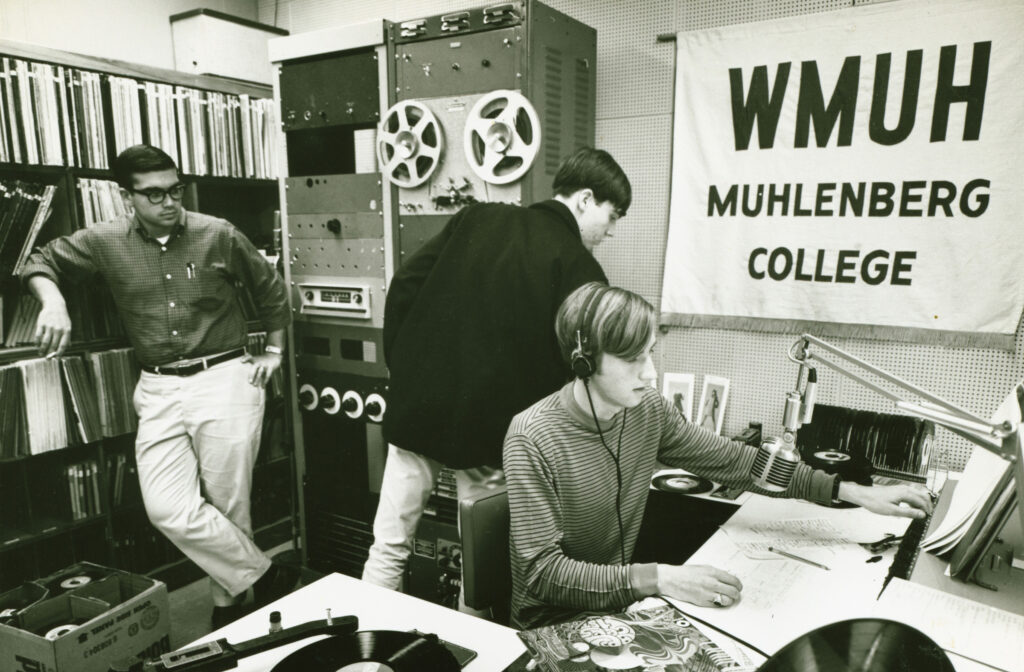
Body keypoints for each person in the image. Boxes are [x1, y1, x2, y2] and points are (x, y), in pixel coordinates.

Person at [503, 282, 935, 629]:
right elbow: (543, 575)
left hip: (617, 609)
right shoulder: (532, 437)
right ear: (584, 362)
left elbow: (739, 463)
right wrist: (661, 578)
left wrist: (854, 492)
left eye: (649, 353)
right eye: (633, 359)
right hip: (551, 626)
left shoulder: (647, 410)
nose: (650, 373)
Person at [22, 144, 297, 629]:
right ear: (125, 196)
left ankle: (229, 606)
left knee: (229, 502)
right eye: (153, 194)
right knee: (166, 507)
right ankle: (266, 574)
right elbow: (38, 261)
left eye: (175, 190)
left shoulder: (218, 233)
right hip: (158, 387)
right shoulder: (103, 240)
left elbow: (272, 291)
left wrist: (273, 352)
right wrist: (53, 302)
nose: (168, 202)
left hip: (224, 378)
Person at [362, 148, 632, 597]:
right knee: (479, 564)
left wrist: (405, 367)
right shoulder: (581, 268)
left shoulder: (477, 217)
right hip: (492, 437)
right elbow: (579, 371)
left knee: (388, 547)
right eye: (612, 215)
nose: (611, 230)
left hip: (418, 407)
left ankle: (368, 637)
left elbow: (405, 284)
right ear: (586, 199)